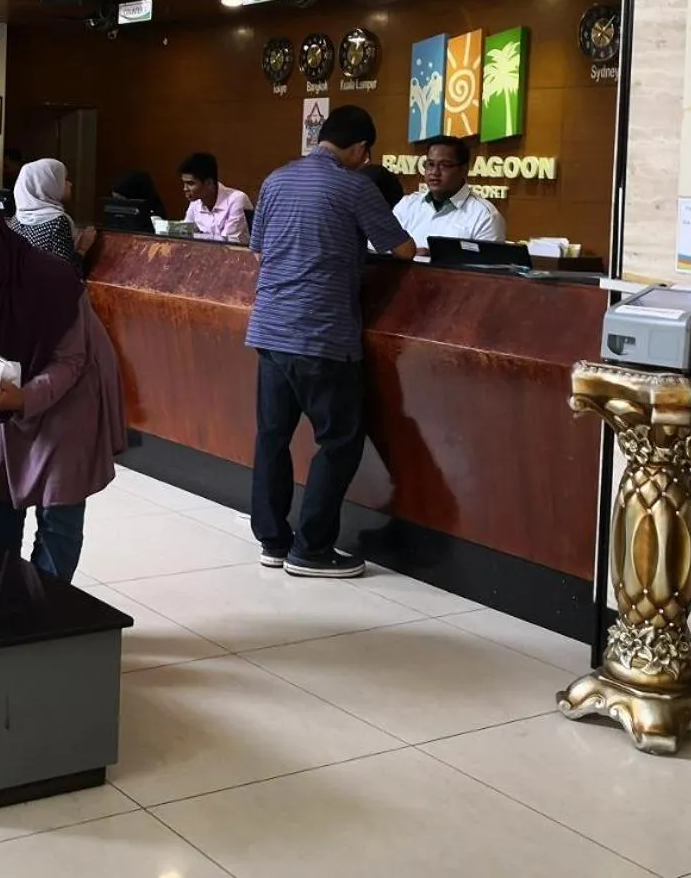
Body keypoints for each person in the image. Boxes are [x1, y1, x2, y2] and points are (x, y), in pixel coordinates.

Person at [247, 105, 413, 578]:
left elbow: (257, 249)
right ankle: (312, 549)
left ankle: (273, 542)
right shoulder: (356, 185)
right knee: (340, 440)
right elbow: (401, 249)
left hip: (270, 330)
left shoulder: (276, 179)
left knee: (272, 438)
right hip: (322, 334)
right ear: (362, 149)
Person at [0, 211, 125, 580]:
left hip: (68, 400)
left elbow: (71, 361)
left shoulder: (53, 284)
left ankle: (47, 611)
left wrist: (22, 399)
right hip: (5, 401)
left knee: (59, 512)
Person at [393, 135, 505, 252]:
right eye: (430, 164)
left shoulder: (485, 216)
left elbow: (486, 268)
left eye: (444, 165)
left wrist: (434, 261)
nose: (434, 172)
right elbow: (378, 251)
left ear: (464, 170)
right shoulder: (407, 205)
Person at [10, 158, 95, 273]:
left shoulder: (17, 219)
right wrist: (83, 248)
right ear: (48, 184)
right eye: (64, 180)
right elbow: (67, 273)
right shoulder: (57, 222)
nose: (70, 184)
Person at [178, 152, 252, 244]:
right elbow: (184, 234)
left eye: (191, 184)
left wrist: (195, 236)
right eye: (184, 183)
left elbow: (227, 243)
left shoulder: (237, 200)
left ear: (209, 183)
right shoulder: (195, 202)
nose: (185, 189)